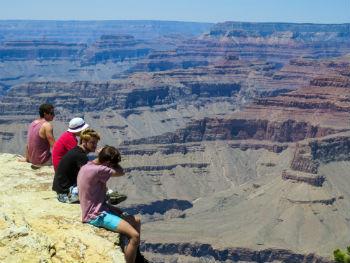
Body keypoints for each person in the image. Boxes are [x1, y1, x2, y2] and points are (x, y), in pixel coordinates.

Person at [77, 146, 141, 263]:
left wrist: (102, 155)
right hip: (96, 215)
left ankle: (133, 254)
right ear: (107, 162)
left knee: (136, 220)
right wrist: (110, 162)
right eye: (111, 164)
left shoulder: (88, 165)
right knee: (134, 236)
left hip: (101, 207)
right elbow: (121, 172)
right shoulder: (99, 170)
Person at [52, 128, 100, 203]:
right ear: (84, 141)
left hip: (61, 190)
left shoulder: (76, 150)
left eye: (96, 143)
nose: (95, 146)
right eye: (92, 143)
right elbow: (90, 176)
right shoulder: (81, 156)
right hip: (66, 193)